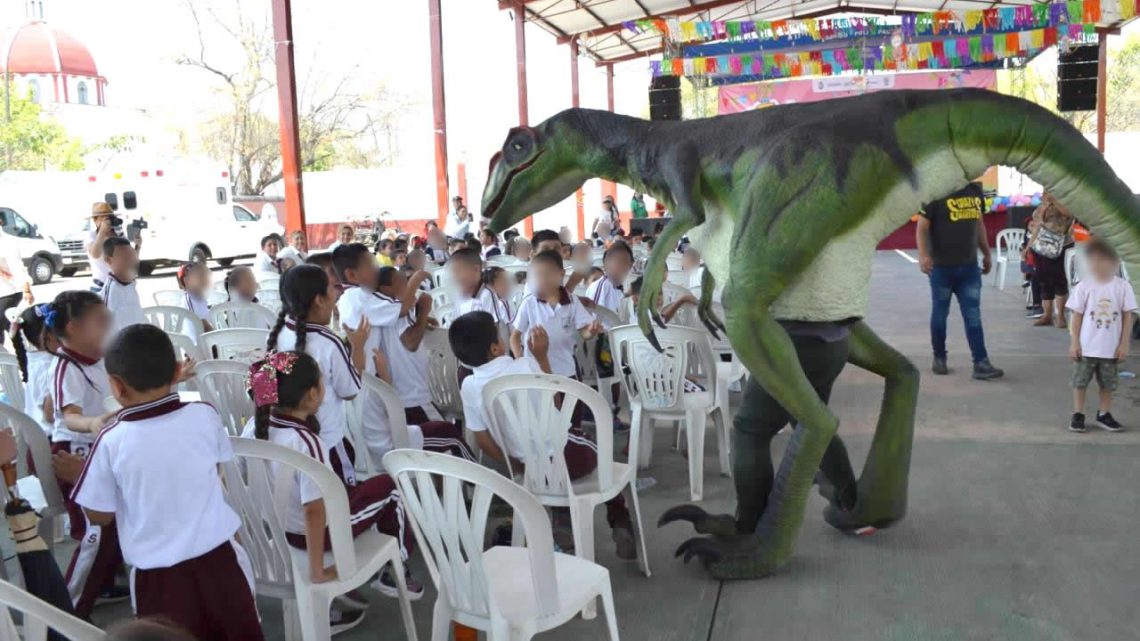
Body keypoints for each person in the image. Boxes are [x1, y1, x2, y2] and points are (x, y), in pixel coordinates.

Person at [71, 325, 262, 641]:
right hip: (222, 562)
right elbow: (216, 471)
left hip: (157, 580)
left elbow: (98, 516)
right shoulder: (204, 414)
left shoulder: (110, 440)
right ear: (177, 371)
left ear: (115, 387)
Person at [242, 351, 421, 630]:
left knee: (361, 489)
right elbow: (314, 511)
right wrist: (317, 570)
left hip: (279, 531)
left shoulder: (254, 427)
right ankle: (396, 563)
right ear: (313, 395)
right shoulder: (309, 443)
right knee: (390, 488)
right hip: (318, 535)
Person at [450, 311, 637, 559]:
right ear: (495, 348)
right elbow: (558, 403)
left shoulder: (470, 387)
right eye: (500, 334)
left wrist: (516, 465)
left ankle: (561, 522)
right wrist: (542, 357)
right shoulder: (526, 364)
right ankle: (619, 519)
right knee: (597, 450)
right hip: (571, 457)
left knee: (559, 465)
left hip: (530, 470)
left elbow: (483, 441)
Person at [42, 291, 127, 617]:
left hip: (100, 447)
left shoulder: (100, 359)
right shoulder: (67, 366)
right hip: (74, 453)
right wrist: (91, 422)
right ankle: (70, 609)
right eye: (101, 320)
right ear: (75, 329)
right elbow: (69, 415)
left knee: (114, 523)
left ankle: (103, 581)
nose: (109, 324)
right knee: (98, 529)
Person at [266, 264, 368, 486]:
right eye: (332, 288)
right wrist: (358, 347)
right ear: (319, 300)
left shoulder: (275, 334)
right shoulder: (329, 342)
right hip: (328, 444)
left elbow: (264, 391)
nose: (337, 293)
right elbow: (350, 391)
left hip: (286, 445)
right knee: (341, 505)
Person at [334, 244, 435, 424]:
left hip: (364, 383)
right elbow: (403, 308)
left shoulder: (350, 299)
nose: (377, 270)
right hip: (367, 387)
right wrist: (416, 280)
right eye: (371, 266)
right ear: (351, 275)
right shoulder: (359, 296)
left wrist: (421, 317)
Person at [916, 182, 1003, 380]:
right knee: (940, 315)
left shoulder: (974, 190)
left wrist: (987, 253)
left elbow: (979, 224)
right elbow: (922, 227)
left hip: (969, 268)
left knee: (973, 315)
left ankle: (981, 363)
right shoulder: (936, 190)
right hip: (941, 268)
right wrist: (923, 255)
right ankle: (939, 357)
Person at [1066, 239, 1136, 433]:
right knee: (1080, 382)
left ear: (1116, 261)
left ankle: (1104, 414)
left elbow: (1128, 317)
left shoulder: (1123, 287)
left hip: (1111, 349)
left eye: (1104, 260)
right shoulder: (1084, 287)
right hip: (1086, 348)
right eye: (1094, 260)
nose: (1098, 264)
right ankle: (1078, 414)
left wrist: (1124, 344)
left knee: (1108, 383)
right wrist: (1074, 342)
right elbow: (1076, 316)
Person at [510, 250, 603, 377]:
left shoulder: (572, 301)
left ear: (561, 274)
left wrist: (591, 332)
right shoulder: (529, 303)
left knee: (569, 396)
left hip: (566, 369)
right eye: (538, 275)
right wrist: (520, 362)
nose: (543, 279)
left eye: (548, 274)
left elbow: (584, 332)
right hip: (535, 371)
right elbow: (515, 337)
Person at [1027, 193, 1076, 328]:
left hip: (1061, 246)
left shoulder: (1066, 201)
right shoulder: (1042, 205)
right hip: (1041, 246)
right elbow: (1037, 226)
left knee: (1059, 280)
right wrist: (1028, 247)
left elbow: (1069, 215)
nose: (1046, 192)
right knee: (1043, 280)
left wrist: (1055, 201)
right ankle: (1047, 315)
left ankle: (1060, 316)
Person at [11, 305, 58, 433]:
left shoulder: (37, 358)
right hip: (50, 438)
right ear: (47, 338)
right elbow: (50, 416)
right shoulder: (45, 366)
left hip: (43, 433)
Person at [99, 237, 145, 338]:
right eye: (124, 257)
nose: (130, 261)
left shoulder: (129, 281)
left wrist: (138, 246)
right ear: (108, 260)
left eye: (131, 256)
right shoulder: (112, 293)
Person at [85, 202, 129, 295]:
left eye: (110, 217)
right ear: (95, 221)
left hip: (120, 285)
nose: (109, 221)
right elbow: (95, 254)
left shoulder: (118, 234)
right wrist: (102, 233)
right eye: (104, 218)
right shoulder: (91, 236)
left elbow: (129, 257)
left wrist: (137, 245)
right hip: (101, 286)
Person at [0, 224, 33, 343]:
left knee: (13, 332)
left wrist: (26, 290)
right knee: (12, 332)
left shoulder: (6, 243)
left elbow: (18, 268)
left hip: (8, 293)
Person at [175, 263, 214, 333]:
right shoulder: (191, 300)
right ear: (186, 281)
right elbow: (204, 327)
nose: (204, 278)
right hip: (198, 341)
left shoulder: (200, 298)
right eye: (199, 276)